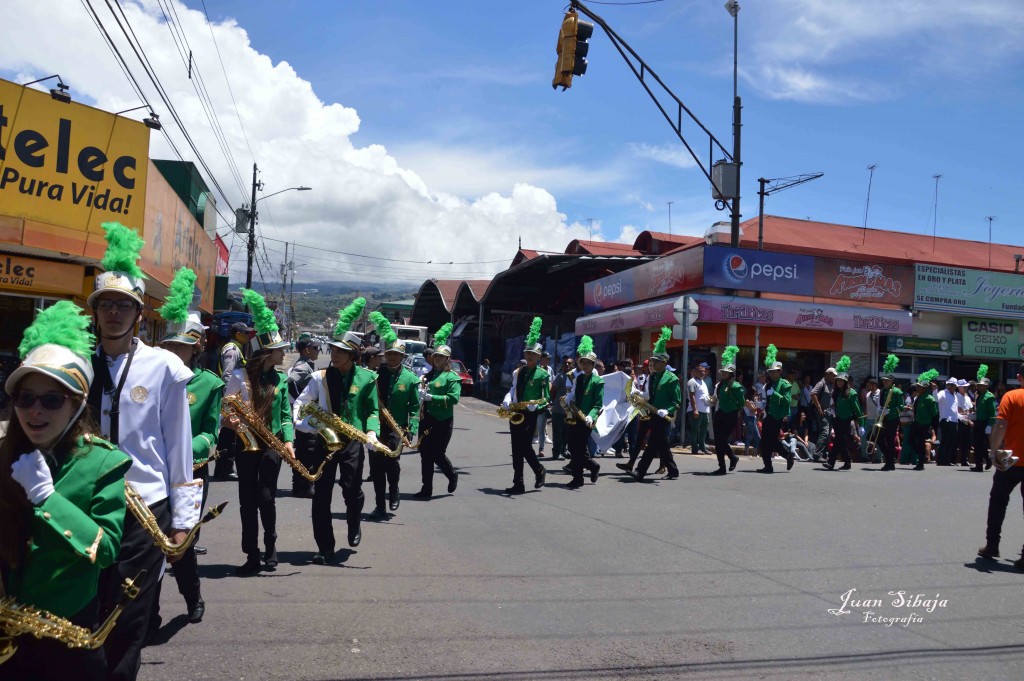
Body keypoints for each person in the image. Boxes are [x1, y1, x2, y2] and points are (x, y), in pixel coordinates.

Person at [79, 224, 198, 681]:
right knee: (86, 612)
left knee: (129, 619)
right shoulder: (77, 361)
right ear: (94, 312)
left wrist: (184, 520)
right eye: (105, 304)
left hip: (145, 510)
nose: (113, 313)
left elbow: (177, 444)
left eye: (122, 305)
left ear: (137, 312)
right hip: (85, 505)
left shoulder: (164, 366)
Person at [0, 302, 132, 681]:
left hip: (69, 636)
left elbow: (106, 551)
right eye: (25, 399)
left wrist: (46, 497)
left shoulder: (103, 464)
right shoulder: (7, 453)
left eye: (51, 400)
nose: (34, 411)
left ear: (76, 405)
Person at [154, 268, 223, 625]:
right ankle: (148, 611)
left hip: (190, 472)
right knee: (149, 543)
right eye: (171, 346)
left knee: (181, 540)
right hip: (151, 473)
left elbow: (212, 433)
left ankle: (193, 597)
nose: (176, 353)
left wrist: (181, 447)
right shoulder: (152, 377)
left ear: (196, 347)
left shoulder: (210, 384)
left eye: (183, 347)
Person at [293, 299, 377, 562]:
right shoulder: (319, 377)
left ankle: (354, 521)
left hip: (352, 439)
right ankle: (325, 546)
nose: (334, 353)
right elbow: (300, 406)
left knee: (352, 488)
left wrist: (372, 432)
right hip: (325, 440)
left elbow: (372, 410)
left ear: (353, 354)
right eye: (333, 349)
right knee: (321, 495)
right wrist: (313, 426)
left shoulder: (368, 378)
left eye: (341, 350)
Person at [222, 289, 295, 575]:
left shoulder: (282, 380)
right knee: (246, 502)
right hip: (246, 445)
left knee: (266, 497)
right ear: (267, 353)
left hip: (272, 446)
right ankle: (251, 554)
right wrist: (233, 422)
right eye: (280, 350)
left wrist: (289, 442)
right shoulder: (240, 377)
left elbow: (286, 415)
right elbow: (225, 409)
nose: (284, 353)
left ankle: (271, 545)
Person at [367, 312, 419, 518]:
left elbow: (414, 407)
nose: (391, 357)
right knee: (376, 468)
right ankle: (380, 505)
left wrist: (412, 429)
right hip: (376, 427)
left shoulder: (410, 378)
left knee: (392, 464)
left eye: (395, 355)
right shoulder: (375, 376)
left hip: (397, 429)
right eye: (388, 354)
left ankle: (394, 490)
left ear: (402, 357)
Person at [977, 363, 1024, 569]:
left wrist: (993, 451)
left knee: (998, 502)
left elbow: (1001, 424)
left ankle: (992, 545)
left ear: (1019, 376)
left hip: (1011, 460)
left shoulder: (1011, 396)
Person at [500, 318, 550, 495]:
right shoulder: (518, 371)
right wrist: (507, 400)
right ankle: (518, 482)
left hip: (530, 413)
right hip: (516, 411)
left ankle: (539, 470)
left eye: (533, 354)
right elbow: (513, 389)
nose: (529, 356)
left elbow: (546, 398)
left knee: (525, 446)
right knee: (516, 448)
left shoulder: (543, 375)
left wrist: (534, 407)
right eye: (527, 353)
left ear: (539, 357)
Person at [413, 323, 461, 499]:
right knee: (425, 454)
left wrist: (433, 398)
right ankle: (427, 489)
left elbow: (454, 398)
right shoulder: (426, 376)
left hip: (443, 419)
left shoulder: (452, 377)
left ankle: (451, 474)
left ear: (447, 360)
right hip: (426, 418)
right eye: (436, 357)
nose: (438, 359)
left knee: (437, 453)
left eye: (441, 357)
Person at [633, 328, 680, 481]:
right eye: (653, 361)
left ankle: (640, 470)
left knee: (653, 443)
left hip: (664, 415)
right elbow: (651, 395)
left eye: (657, 361)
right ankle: (673, 470)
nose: (653, 363)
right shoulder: (653, 377)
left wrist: (667, 410)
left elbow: (676, 401)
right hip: (653, 413)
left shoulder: (672, 379)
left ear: (665, 362)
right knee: (662, 443)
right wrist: (641, 396)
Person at [214, 321, 251, 482]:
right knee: (228, 434)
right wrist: (231, 398)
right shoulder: (232, 350)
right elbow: (227, 374)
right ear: (238, 334)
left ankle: (225, 468)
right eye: (246, 333)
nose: (249, 336)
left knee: (230, 434)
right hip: (230, 399)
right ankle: (224, 468)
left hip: (233, 397)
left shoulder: (237, 349)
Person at [564, 336, 602, 488]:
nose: (585, 365)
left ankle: (578, 478)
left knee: (578, 447)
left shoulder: (598, 381)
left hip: (587, 419)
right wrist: (568, 398)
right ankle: (592, 466)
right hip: (575, 415)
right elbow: (573, 393)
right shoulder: (578, 379)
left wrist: (591, 417)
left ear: (593, 365)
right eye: (583, 362)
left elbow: (598, 404)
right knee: (573, 447)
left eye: (589, 363)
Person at [287, 334, 321, 498]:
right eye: (315, 348)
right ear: (307, 350)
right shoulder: (303, 366)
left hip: (304, 412)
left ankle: (300, 485)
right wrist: (300, 402)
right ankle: (305, 485)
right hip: (305, 413)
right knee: (308, 449)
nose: (318, 351)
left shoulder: (307, 364)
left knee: (304, 450)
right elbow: (290, 382)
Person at [758, 345, 795, 473]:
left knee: (771, 441)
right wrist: (760, 406)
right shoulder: (768, 384)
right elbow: (765, 400)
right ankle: (769, 464)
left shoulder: (785, 385)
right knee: (765, 441)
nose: (772, 374)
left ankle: (784, 457)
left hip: (778, 416)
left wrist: (774, 393)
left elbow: (787, 400)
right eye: (771, 372)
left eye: (774, 371)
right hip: (768, 415)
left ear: (780, 371)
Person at [709, 347, 743, 475]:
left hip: (731, 415)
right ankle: (723, 466)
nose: (723, 374)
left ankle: (732, 458)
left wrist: (737, 410)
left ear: (731, 374)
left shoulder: (736, 386)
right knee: (718, 441)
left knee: (722, 439)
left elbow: (741, 401)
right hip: (720, 413)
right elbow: (717, 399)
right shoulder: (720, 385)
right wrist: (711, 400)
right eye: (722, 372)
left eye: (725, 372)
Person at [825, 358, 862, 471]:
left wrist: (861, 424)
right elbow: (832, 406)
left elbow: (857, 409)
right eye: (838, 381)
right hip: (836, 419)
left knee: (838, 440)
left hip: (847, 420)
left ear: (845, 382)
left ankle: (831, 463)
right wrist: (829, 411)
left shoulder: (851, 393)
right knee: (840, 441)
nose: (839, 383)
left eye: (841, 381)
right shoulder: (835, 392)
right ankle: (847, 462)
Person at [911, 370, 940, 470]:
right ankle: (922, 456)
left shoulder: (929, 399)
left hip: (924, 424)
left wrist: (931, 425)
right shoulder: (919, 397)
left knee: (920, 442)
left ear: (924, 388)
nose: (917, 388)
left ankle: (921, 463)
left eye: (919, 386)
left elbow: (935, 414)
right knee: (911, 440)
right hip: (916, 422)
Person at [877, 369, 904, 471]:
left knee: (890, 441)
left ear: (892, 381)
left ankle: (890, 463)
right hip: (883, 418)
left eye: (887, 380)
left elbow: (901, 407)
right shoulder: (883, 391)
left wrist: (890, 411)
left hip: (892, 419)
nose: (884, 382)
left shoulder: (897, 391)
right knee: (878, 438)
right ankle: (888, 458)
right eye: (884, 380)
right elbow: (882, 404)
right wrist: (879, 410)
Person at [972, 367, 998, 472]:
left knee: (980, 444)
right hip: (978, 421)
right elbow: (978, 409)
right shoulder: (979, 396)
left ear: (986, 386)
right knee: (977, 443)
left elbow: (992, 413)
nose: (980, 387)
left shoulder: (989, 396)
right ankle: (987, 460)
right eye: (979, 385)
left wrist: (990, 425)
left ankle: (979, 465)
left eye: (982, 386)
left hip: (985, 422)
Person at [550, 357, 574, 460]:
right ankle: (556, 452)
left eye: (569, 363)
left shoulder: (574, 377)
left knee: (567, 433)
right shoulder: (560, 376)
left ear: (573, 365)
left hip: (570, 410)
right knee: (558, 432)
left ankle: (564, 450)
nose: (567, 365)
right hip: (558, 410)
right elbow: (553, 390)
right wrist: (553, 403)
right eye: (565, 363)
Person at [810, 367, 836, 460]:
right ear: (828, 374)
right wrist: (819, 408)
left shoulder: (831, 385)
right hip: (823, 412)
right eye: (833, 375)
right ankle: (817, 454)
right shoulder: (821, 383)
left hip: (830, 413)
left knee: (828, 433)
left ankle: (824, 454)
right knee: (825, 432)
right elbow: (813, 394)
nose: (834, 377)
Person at [686, 364, 710, 455]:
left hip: (704, 411)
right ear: (694, 371)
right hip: (696, 410)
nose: (702, 373)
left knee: (704, 430)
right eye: (700, 371)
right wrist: (695, 409)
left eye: (704, 371)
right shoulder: (692, 381)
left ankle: (702, 448)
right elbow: (692, 396)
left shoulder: (703, 382)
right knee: (695, 430)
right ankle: (695, 449)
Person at [935, 377, 960, 466]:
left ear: (955, 386)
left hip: (954, 420)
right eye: (948, 384)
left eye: (952, 385)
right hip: (946, 420)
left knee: (951, 442)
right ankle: (941, 460)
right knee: (945, 441)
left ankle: (947, 460)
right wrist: (935, 390)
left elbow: (955, 410)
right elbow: (936, 399)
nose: (950, 386)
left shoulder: (955, 395)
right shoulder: (942, 393)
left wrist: (960, 418)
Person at [535, 351, 553, 456]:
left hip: (544, 402)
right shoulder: (536, 369)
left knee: (542, 427)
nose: (547, 361)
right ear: (541, 359)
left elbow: (551, 383)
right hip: (533, 402)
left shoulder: (550, 370)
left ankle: (541, 449)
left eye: (548, 359)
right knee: (531, 427)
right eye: (545, 359)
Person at [742, 386, 762, 458]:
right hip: (749, 418)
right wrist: (756, 406)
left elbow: (755, 410)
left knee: (757, 437)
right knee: (749, 435)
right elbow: (753, 410)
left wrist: (755, 406)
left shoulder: (752, 401)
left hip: (753, 418)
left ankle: (755, 452)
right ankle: (746, 451)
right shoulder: (747, 401)